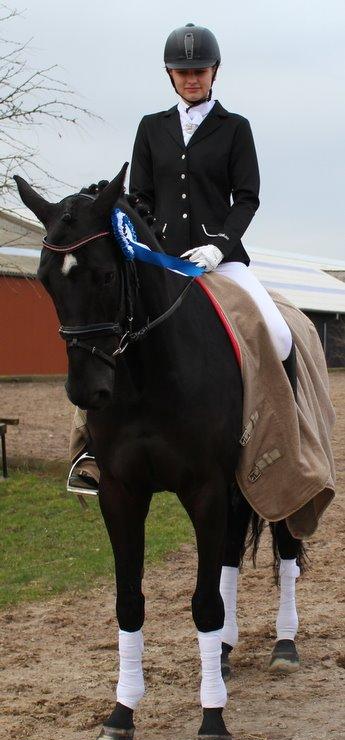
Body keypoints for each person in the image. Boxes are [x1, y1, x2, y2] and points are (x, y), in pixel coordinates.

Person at [67, 22, 296, 494]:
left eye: (199, 70)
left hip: (221, 260)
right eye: (182, 71)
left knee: (276, 333)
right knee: (105, 328)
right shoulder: (152, 128)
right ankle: (88, 447)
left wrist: (219, 246)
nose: (192, 78)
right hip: (161, 262)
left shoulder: (236, 129)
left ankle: (277, 435)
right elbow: (141, 198)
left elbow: (247, 198)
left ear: (214, 72)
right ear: (170, 75)